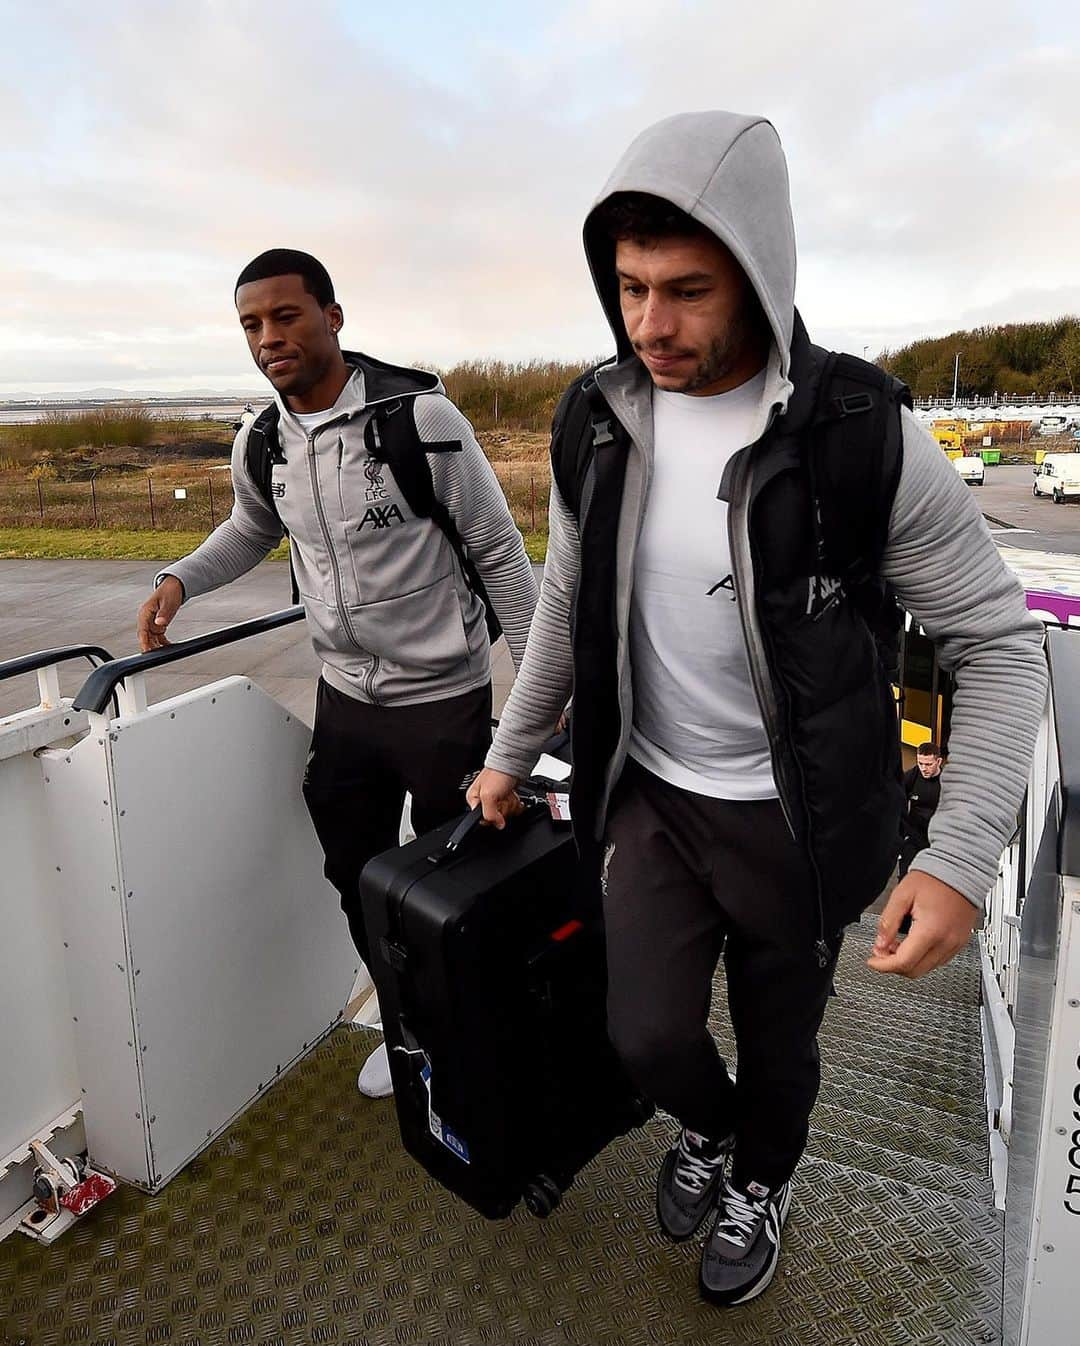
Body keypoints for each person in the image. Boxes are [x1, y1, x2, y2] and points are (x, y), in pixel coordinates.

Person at [467, 111, 1046, 1308]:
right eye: (628, 288)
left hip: (802, 818)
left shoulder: (860, 438)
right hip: (655, 800)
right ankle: (716, 1129)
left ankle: (761, 1171)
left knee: (783, 1046)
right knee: (647, 1038)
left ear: (761, 275)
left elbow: (999, 644)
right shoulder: (598, 420)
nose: (650, 325)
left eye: (686, 290)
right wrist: (509, 750)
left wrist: (961, 857)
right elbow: (571, 597)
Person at [138, 249, 538, 1098]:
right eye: (251, 324)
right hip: (346, 701)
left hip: (442, 700)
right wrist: (179, 578)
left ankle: (481, 1025)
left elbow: (500, 551)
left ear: (333, 317)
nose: (268, 337)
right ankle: (409, 1027)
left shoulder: (419, 420)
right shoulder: (263, 440)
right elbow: (252, 529)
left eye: (286, 316)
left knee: (452, 882)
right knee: (354, 872)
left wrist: (546, 694)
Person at [899, 742, 945, 877]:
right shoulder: (912, 776)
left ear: (939, 761)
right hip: (913, 837)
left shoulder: (946, 783)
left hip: (937, 840)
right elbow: (896, 800)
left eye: (928, 764)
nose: (923, 768)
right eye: (920, 763)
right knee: (906, 877)